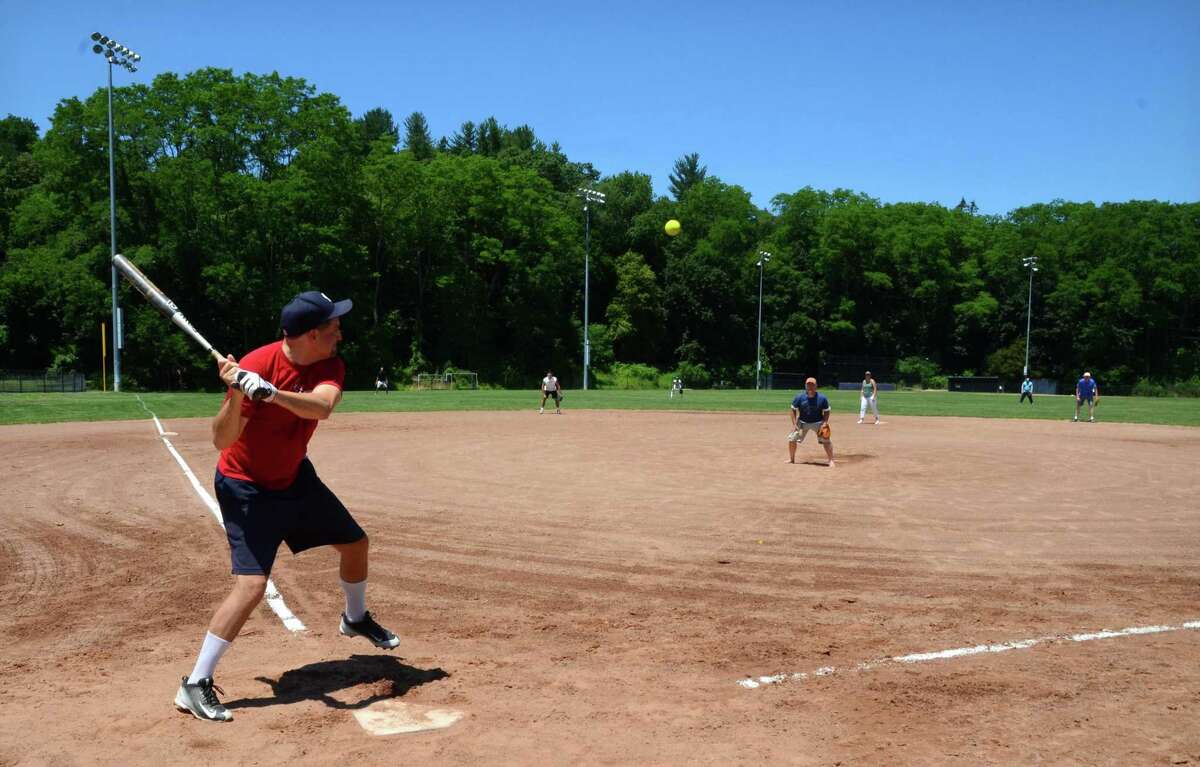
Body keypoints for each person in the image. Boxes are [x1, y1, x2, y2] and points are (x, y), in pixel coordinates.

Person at [175, 291, 400, 723]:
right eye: (333, 328)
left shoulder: (327, 363)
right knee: (251, 586)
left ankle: (354, 619)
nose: (340, 334)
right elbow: (221, 441)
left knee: (355, 544)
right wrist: (237, 392)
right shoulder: (256, 365)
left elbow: (323, 406)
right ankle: (195, 683)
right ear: (312, 334)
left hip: (296, 479)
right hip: (247, 489)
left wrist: (273, 394)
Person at [788, 376, 834, 467]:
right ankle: (791, 459)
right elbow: (793, 409)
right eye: (808, 384)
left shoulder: (822, 398)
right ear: (805, 386)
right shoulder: (799, 397)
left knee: (826, 439)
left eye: (812, 385)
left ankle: (831, 460)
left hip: (818, 422)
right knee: (792, 438)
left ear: (816, 386)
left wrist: (825, 422)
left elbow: (827, 410)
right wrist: (794, 424)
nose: (810, 386)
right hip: (802, 422)